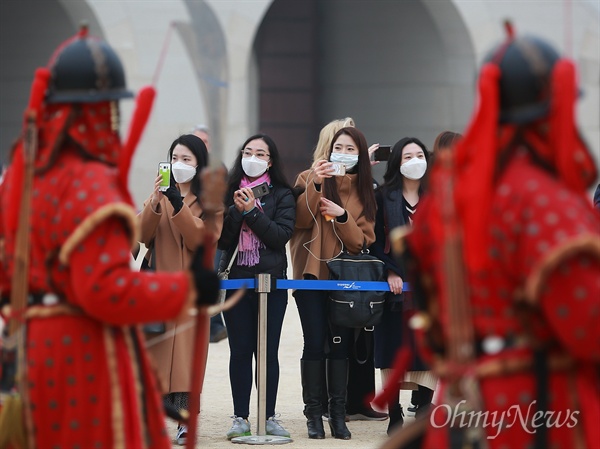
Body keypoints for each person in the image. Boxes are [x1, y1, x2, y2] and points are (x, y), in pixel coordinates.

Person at [0, 26, 220, 449]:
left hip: (26, 346)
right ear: (105, 111)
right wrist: (187, 288)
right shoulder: (92, 182)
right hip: (80, 353)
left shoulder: (23, 172)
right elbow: (105, 291)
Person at [401, 29, 599, 448]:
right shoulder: (543, 198)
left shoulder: (453, 193)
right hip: (540, 407)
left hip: (464, 396)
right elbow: (587, 326)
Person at [291, 126, 377, 440]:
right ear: (329, 150)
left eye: (351, 149)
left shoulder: (366, 189)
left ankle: (338, 416)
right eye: (338, 147)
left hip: (345, 282)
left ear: (360, 156)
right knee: (314, 344)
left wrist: (342, 216)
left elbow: (363, 241)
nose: (343, 153)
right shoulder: (307, 177)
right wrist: (315, 182)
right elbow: (298, 220)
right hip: (310, 277)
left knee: (340, 348)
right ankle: (314, 414)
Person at [138, 133, 223, 445]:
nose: (179, 165)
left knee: (186, 361)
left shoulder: (209, 203)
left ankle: (187, 421)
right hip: (158, 290)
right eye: (175, 158)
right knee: (156, 358)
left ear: (199, 164)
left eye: (186, 159)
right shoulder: (158, 195)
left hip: (189, 292)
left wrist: (178, 204)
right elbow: (142, 234)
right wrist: (158, 200)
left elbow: (202, 239)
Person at [218, 134, 296, 440]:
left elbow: (279, 237)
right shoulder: (229, 192)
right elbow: (223, 241)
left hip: (271, 283)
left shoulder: (283, 194)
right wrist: (237, 211)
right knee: (239, 351)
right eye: (248, 152)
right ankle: (240, 417)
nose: (253, 157)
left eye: (260, 153)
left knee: (267, 352)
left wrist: (252, 211)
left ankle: (269, 415)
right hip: (238, 280)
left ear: (270, 161)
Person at [370, 137, 434, 436]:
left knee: (428, 350)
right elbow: (373, 243)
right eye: (407, 156)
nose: (414, 161)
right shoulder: (384, 197)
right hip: (393, 290)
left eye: (419, 154)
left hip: (429, 288)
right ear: (397, 163)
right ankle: (394, 414)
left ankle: (423, 414)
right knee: (393, 349)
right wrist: (389, 272)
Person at [190, 124, 229, 343]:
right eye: (198, 141)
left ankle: (214, 325)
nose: (201, 146)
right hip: (188, 230)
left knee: (211, 272)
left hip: (211, 233)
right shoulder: (183, 166)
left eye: (205, 142)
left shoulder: (218, 169)